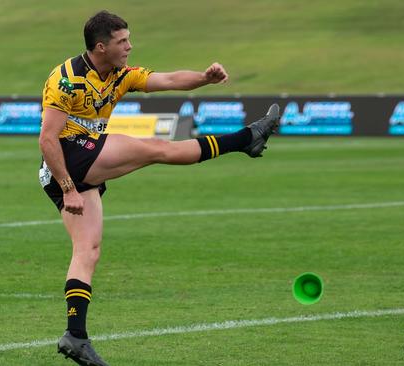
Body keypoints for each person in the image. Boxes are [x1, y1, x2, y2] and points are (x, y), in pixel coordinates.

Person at [38, 10, 280, 366]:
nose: (129, 47)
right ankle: (246, 138)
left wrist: (203, 78)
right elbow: (47, 139)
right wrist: (69, 188)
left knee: (87, 250)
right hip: (67, 159)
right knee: (156, 148)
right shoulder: (66, 80)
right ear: (101, 47)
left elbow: (166, 80)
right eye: (123, 42)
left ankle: (75, 335)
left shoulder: (119, 75)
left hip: (75, 168)